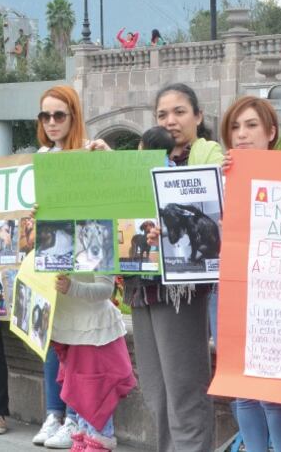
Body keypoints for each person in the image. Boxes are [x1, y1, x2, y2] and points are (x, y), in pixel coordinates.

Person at [125, 83, 224, 452]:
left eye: (180, 112)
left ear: (198, 117)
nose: (170, 121)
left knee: (184, 390)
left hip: (181, 290)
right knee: (155, 392)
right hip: (142, 286)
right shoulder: (141, 161)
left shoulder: (208, 160)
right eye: (162, 114)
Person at [32, 85, 110, 448]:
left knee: (77, 341)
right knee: (54, 336)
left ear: (73, 115)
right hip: (53, 251)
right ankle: (55, 414)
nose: (51, 122)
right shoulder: (41, 157)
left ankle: (74, 418)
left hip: (86, 256)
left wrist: (107, 158)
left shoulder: (92, 151)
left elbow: (120, 187)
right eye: (45, 116)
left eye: (58, 115)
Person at [218, 97, 281, 452]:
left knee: (272, 392)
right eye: (235, 127)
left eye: (251, 125)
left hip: (274, 294)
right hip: (229, 292)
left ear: (271, 132)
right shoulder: (220, 178)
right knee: (242, 389)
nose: (242, 134)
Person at [51, 270, 136, 452]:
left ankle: (98, 442)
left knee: (95, 392)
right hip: (72, 329)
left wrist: (72, 287)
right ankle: (87, 439)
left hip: (96, 331)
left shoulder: (99, 242)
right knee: (80, 392)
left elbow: (106, 289)